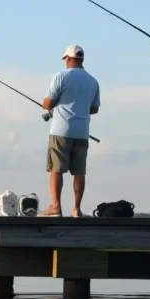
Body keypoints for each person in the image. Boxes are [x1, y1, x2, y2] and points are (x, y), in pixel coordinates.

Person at [40, 45, 101, 217]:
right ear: (81, 59)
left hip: (61, 130)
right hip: (82, 132)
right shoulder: (93, 81)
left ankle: (56, 207)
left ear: (67, 58)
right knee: (79, 171)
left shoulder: (61, 76)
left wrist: (48, 104)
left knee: (56, 169)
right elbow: (94, 108)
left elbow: (48, 104)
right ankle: (76, 209)